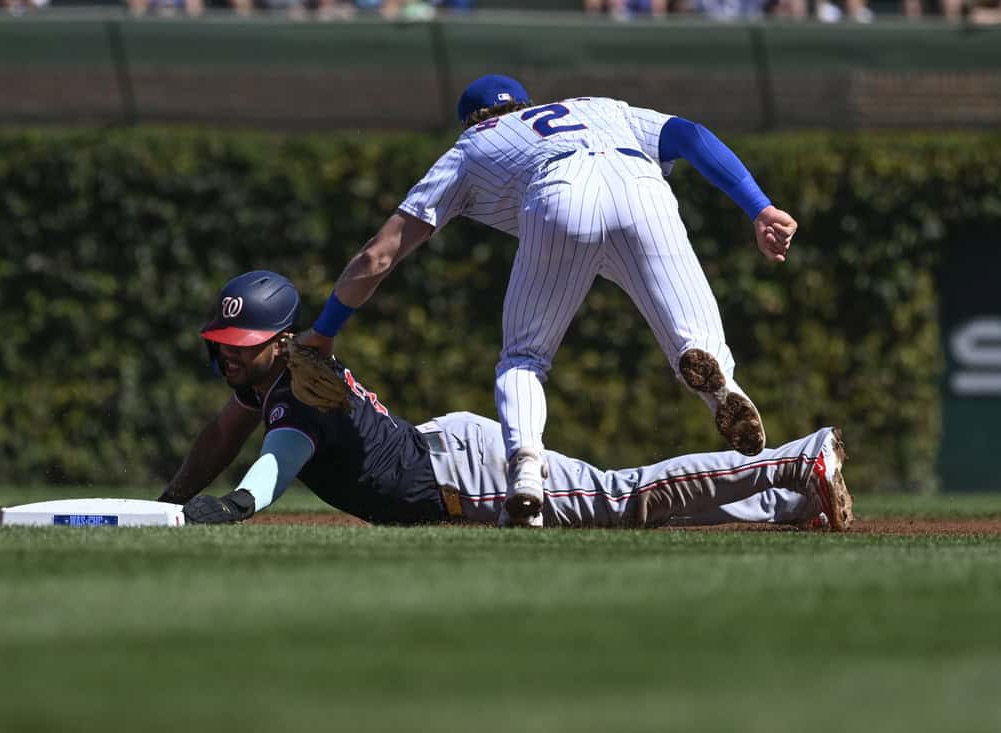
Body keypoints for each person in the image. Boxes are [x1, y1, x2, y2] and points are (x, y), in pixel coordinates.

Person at [297, 74, 798, 527]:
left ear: (471, 119)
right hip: (643, 188)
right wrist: (760, 208)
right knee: (696, 339)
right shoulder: (599, 107)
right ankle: (719, 383)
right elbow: (691, 135)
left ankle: (526, 475)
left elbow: (379, 255)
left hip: (559, 197)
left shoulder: (472, 144)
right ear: (526, 104)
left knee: (525, 358)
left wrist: (323, 331)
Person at [160, 270, 853, 532]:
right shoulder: (275, 378)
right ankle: (791, 502)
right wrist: (173, 497)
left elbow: (280, 455)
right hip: (449, 455)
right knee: (618, 503)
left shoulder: (294, 395)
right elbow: (223, 434)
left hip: (466, 480)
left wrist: (239, 503)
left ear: (279, 341)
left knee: (624, 498)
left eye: (241, 343)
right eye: (222, 342)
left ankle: (798, 460)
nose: (229, 353)